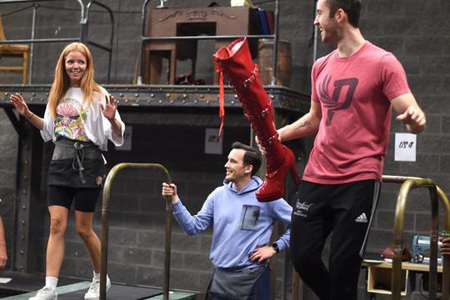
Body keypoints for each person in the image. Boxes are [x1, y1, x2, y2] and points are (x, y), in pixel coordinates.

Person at [268, 0, 427, 299]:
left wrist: (415, 120)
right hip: (317, 176)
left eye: (319, 13)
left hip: (358, 178)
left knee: (343, 267)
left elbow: (412, 113)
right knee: (302, 256)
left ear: (339, 15)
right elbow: (314, 119)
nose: (315, 22)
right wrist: (278, 135)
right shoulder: (321, 66)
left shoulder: (383, 62)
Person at [10, 42, 125, 300]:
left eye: (80, 62)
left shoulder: (97, 93)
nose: (75, 66)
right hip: (60, 161)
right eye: (70, 61)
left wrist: (111, 119)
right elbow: (49, 132)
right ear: (63, 65)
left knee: (83, 228)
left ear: (88, 65)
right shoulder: (58, 92)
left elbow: (117, 136)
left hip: (89, 161)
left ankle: (100, 277)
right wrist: (27, 113)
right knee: (56, 225)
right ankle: (50, 287)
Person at [162, 142, 292, 299]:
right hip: (221, 277)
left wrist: (275, 248)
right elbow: (193, 227)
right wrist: (175, 200)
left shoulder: (266, 196)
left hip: (253, 277)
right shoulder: (218, 195)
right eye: (228, 160)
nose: (226, 165)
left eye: (233, 161)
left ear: (248, 168)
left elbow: (299, 225)